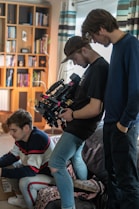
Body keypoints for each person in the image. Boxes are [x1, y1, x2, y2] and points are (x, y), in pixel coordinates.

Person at [82, 8, 139, 209]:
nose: (95, 42)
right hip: (111, 122)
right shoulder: (116, 47)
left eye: (94, 36)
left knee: (127, 181)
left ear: (102, 28)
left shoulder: (131, 45)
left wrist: (124, 124)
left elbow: (136, 91)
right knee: (111, 177)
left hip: (122, 125)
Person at [49, 35, 109, 209]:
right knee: (76, 157)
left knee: (56, 162)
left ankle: (68, 206)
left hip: (81, 126)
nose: (74, 63)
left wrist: (73, 115)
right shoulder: (93, 68)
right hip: (80, 125)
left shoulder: (99, 69)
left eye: (74, 58)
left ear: (84, 50)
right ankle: (84, 193)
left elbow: (96, 108)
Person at [0, 109, 55, 209]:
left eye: (14, 130)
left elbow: (31, 171)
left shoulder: (37, 138)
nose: (11, 134)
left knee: (25, 182)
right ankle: (22, 199)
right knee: (10, 166)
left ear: (25, 128)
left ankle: (32, 206)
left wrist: (2, 172)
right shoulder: (21, 138)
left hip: (49, 175)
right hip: (37, 169)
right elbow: (12, 156)